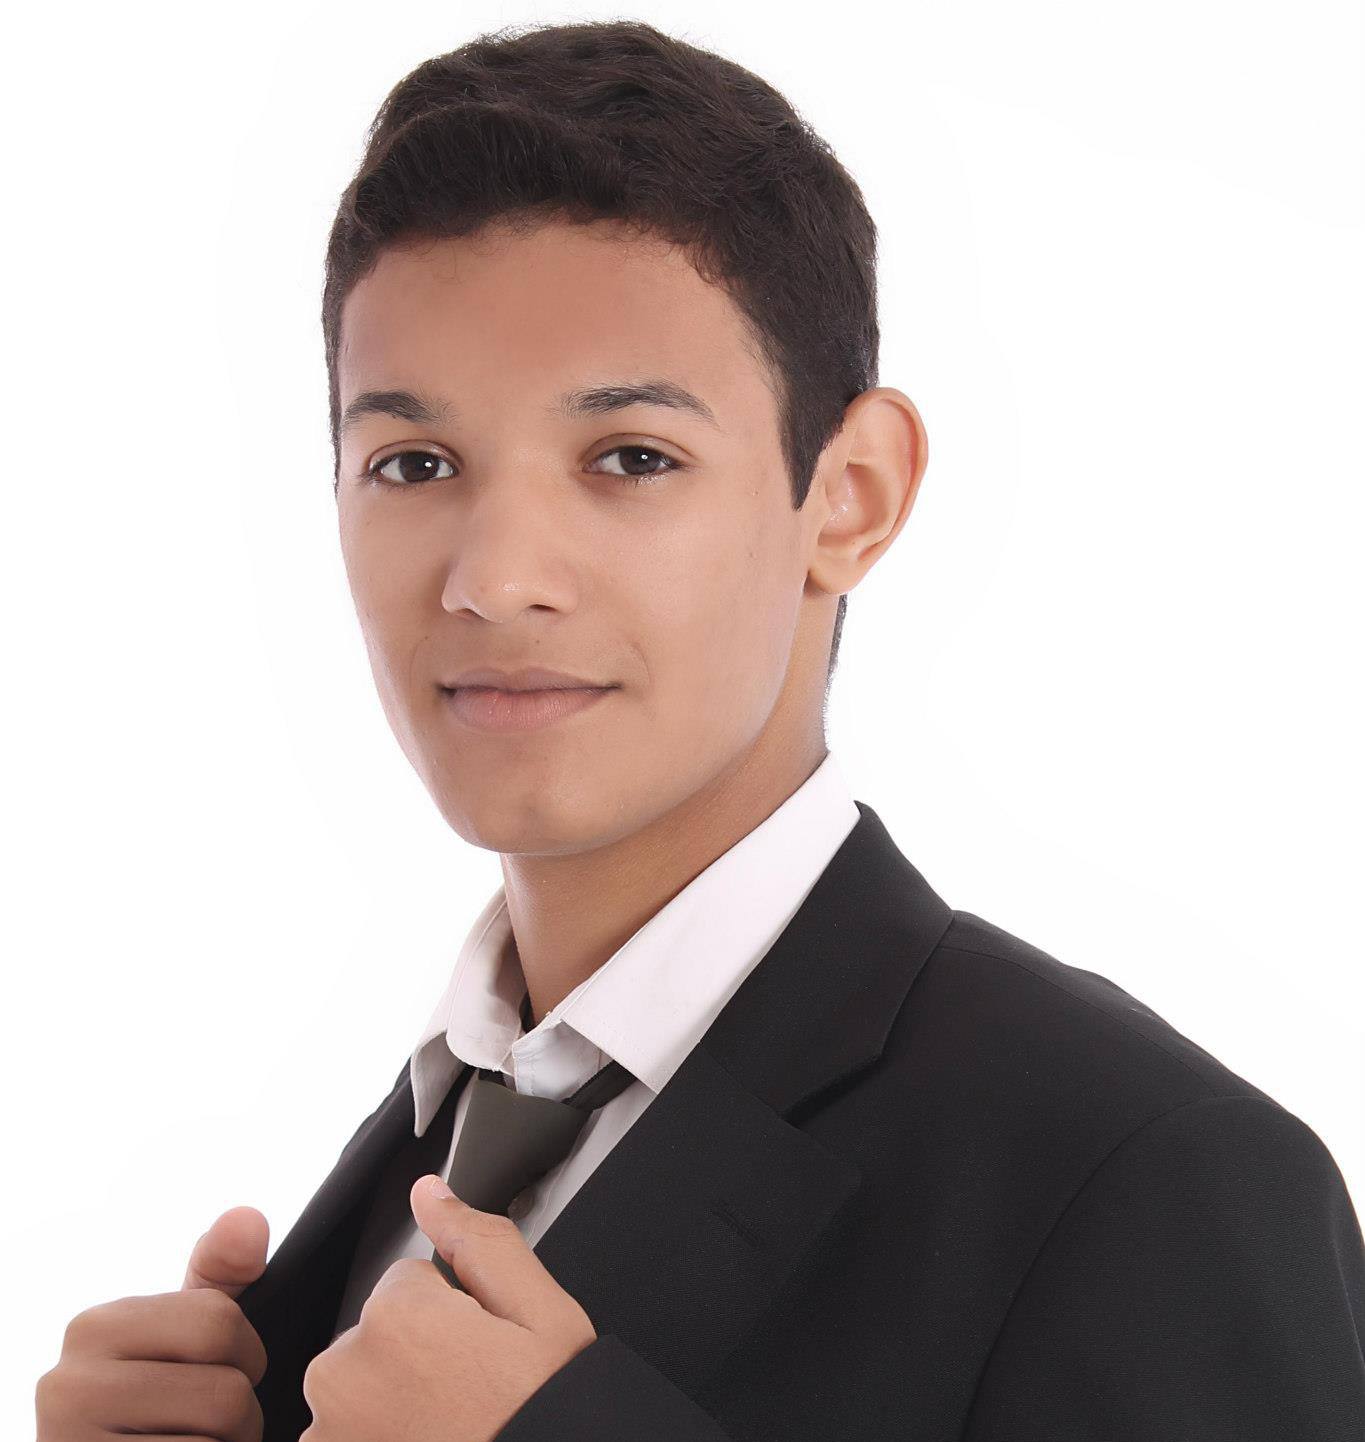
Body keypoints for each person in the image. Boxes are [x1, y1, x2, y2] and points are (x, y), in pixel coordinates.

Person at [36, 18, 1365, 1442]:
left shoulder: (1151, 1177)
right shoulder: (426, 1150)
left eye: (630, 457)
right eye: (412, 463)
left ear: (849, 495)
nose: (495, 578)